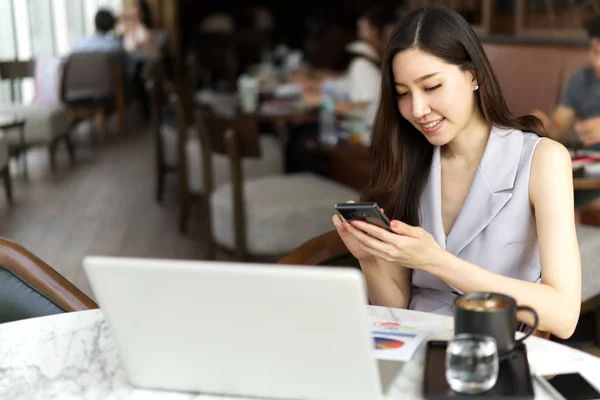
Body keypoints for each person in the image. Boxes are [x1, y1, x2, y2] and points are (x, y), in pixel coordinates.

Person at [332, 6, 581, 339]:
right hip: (416, 344)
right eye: (403, 94)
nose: (417, 110)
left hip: (495, 350)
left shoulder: (541, 159)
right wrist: (370, 258)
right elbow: (396, 308)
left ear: (473, 74)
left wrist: (435, 261)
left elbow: (564, 316)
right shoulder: (407, 159)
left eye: (432, 87)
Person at [532, 16, 600, 145]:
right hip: (590, 160)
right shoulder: (581, 80)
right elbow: (559, 128)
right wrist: (545, 127)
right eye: (595, 52)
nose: (598, 62)